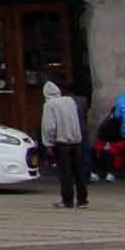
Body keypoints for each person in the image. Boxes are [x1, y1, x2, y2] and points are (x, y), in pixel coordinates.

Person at [40, 80, 88, 209]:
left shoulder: (49, 105)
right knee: (78, 171)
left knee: (65, 173)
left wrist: (48, 143)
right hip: (76, 141)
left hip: (61, 143)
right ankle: (82, 199)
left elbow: (49, 126)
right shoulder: (70, 101)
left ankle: (67, 200)